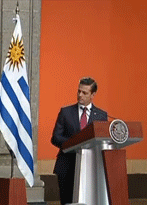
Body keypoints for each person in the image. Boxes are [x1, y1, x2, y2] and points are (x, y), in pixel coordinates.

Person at [51, 77, 107, 205]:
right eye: (79, 91)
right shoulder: (66, 112)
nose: (80, 95)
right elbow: (55, 138)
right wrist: (76, 144)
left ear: (93, 95)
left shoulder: (102, 116)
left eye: (85, 93)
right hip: (67, 166)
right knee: (67, 201)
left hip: (91, 166)